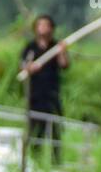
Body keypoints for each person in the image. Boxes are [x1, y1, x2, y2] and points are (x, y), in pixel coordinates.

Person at [19, 15, 69, 163]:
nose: (42, 28)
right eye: (40, 25)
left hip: (52, 96)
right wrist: (30, 67)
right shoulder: (30, 47)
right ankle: (34, 163)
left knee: (55, 131)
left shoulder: (56, 46)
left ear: (51, 28)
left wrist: (62, 51)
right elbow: (22, 66)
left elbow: (64, 65)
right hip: (35, 96)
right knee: (35, 132)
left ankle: (56, 163)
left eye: (46, 25)